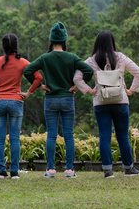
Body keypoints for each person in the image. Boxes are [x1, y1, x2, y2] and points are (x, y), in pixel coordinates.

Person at [23, 22, 94, 178]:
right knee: (68, 135)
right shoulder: (72, 57)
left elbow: (28, 70)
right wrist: (77, 85)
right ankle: (69, 170)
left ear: (51, 41)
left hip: (51, 100)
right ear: (64, 41)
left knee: (52, 135)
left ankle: (51, 169)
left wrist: (40, 85)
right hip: (68, 98)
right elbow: (88, 71)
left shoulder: (45, 58)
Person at [73, 30, 139, 179]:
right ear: (112, 42)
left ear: (97, 43)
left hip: (100, 102)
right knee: (123, 137)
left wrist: (90, 91)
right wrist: (131, 90)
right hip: (121, 101)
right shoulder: (121, 57)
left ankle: (107, 171)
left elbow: (77, 78)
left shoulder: (91, 60)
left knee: (104, 137)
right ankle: (129, 168)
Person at [0, 33, 43, 179]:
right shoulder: (23, 62)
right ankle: (14, 172)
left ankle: (0, 171)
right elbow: (39, 77)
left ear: (3, 46)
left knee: (0, 138)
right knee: (14, 139)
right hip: (16, 102)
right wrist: (29, 93)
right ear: (16, 46)